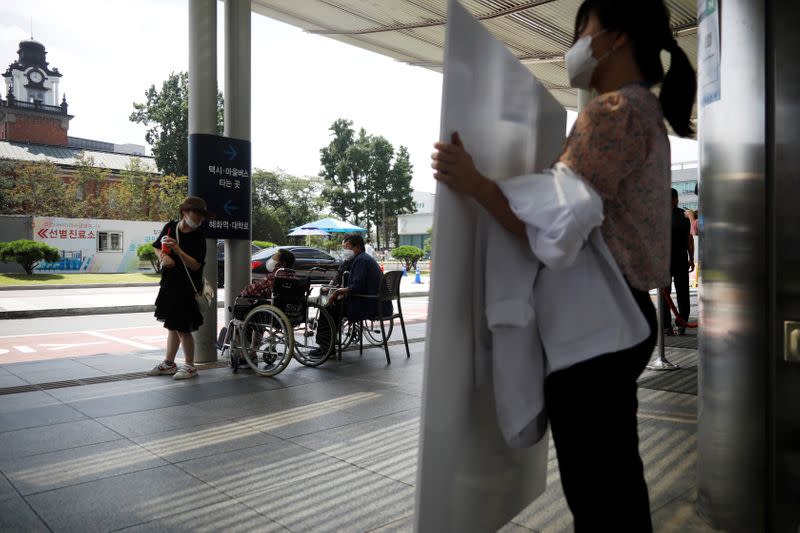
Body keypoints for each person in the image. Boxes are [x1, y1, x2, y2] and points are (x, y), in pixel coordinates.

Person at [430, 0, 696, 529]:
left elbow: (553, 230)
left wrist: (476, 183)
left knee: (599, 494)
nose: (571, 45)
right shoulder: (644, 112)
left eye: (582, 31)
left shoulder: (614, 111)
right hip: (621, 318)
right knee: (616, 479)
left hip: (595, 326)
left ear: (616, 39)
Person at [147, 196, 210, 380]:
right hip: (169, 285)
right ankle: (169, 363)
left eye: (201, 215)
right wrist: (163, 257)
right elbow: (157, 247)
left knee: (183, 328)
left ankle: (190, 365)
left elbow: (196, 265)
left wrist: (178, 251)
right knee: (172, 326)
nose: (199, 218)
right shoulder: (170, 227)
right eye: (196, 214)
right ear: (184, 212)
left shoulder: (199, 236)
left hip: (187, 288)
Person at [663, 188, 694, 335]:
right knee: (683, 293)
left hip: (663, 261)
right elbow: (689, 240)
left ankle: (666, 327)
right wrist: (691, 259)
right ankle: (682, 325)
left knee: (665, 294)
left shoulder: (657, 216)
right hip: (681, 259)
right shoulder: (684, 216)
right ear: (676, 199)